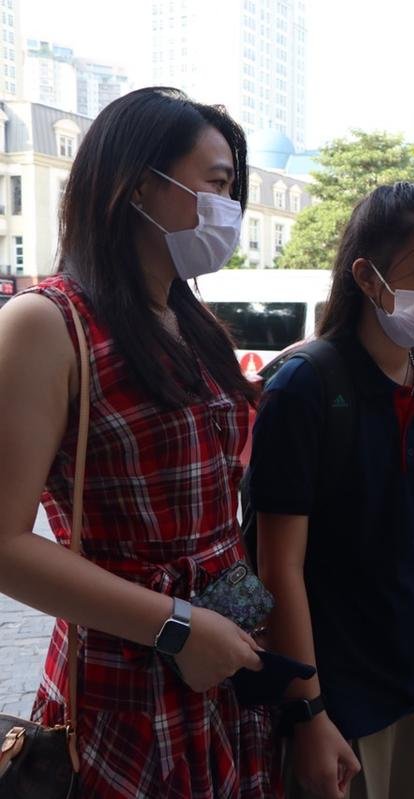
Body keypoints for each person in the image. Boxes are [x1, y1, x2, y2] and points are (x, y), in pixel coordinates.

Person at [0, 87, 275, 797]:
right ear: (137, 185)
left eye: (235, 190)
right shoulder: (46, 323)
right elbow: (3, 543)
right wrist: (179, 628)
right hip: (126, 682)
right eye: (215, 184)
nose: (229, 209)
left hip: (219, 671)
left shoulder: (192, 321)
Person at [249, 182, 414, 799]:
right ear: (367, 276)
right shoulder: (305, 386)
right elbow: (281, 568)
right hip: (338, 696)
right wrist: (308, 712)